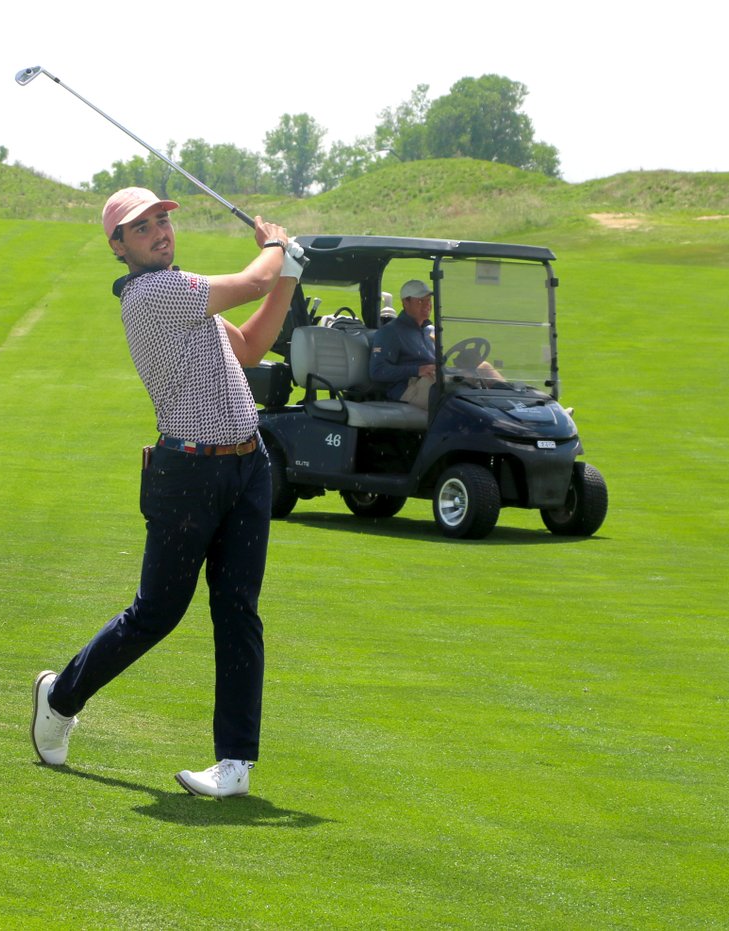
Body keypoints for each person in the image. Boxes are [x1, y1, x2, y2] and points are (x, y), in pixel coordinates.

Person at [31, 187, 303, 798]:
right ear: (118, 247)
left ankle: (234, 763)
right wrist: (277, 251)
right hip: (188, 475)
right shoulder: (150, 295)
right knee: (157, 613)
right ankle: (61, 696)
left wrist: (287, 274)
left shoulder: (185, 295)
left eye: (162, 221)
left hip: (247, 467)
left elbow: (253, 346)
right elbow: (251, 282)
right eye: (142, 227)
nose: (159, 232)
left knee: (239, 611)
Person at [368, 279, 438, 409]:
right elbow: (377, 371)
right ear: (406, 302)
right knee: (452, 399)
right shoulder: (390, 332)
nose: (427, 305)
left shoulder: (430, 331)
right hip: (408, 389)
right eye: (421, 301)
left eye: (429, 300)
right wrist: (418, 370)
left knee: (482, 370)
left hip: (431, 382)